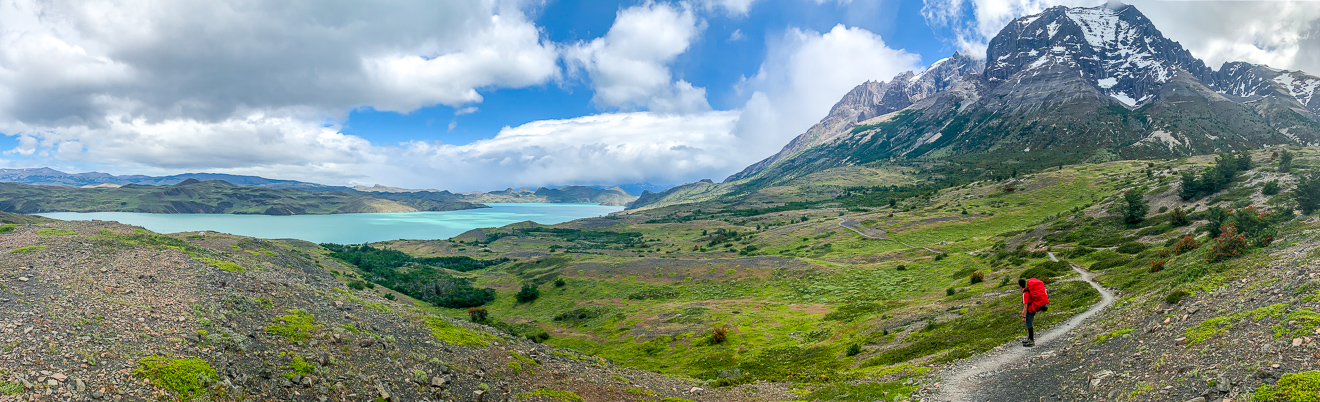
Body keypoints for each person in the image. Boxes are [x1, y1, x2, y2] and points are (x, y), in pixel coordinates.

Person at [1019, 278, 1049, 347]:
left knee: (1029, 324)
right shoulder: (1028, 290)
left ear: (1019, 286)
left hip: (1030, 310)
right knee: (1029, 324)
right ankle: (1029, 339)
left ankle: (1031, 341)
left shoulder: (1025, 293)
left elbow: (1025, 305)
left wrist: (1024, 316)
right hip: (1032, 308)